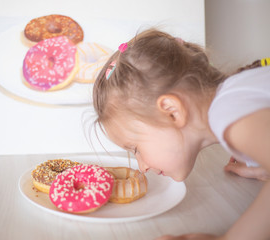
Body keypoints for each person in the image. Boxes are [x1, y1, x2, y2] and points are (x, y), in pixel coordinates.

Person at [92, 28, 270, 239]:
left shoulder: (228, 111)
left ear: (171, 111)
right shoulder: (236, 101)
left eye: (136, 148)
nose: (142, 166)